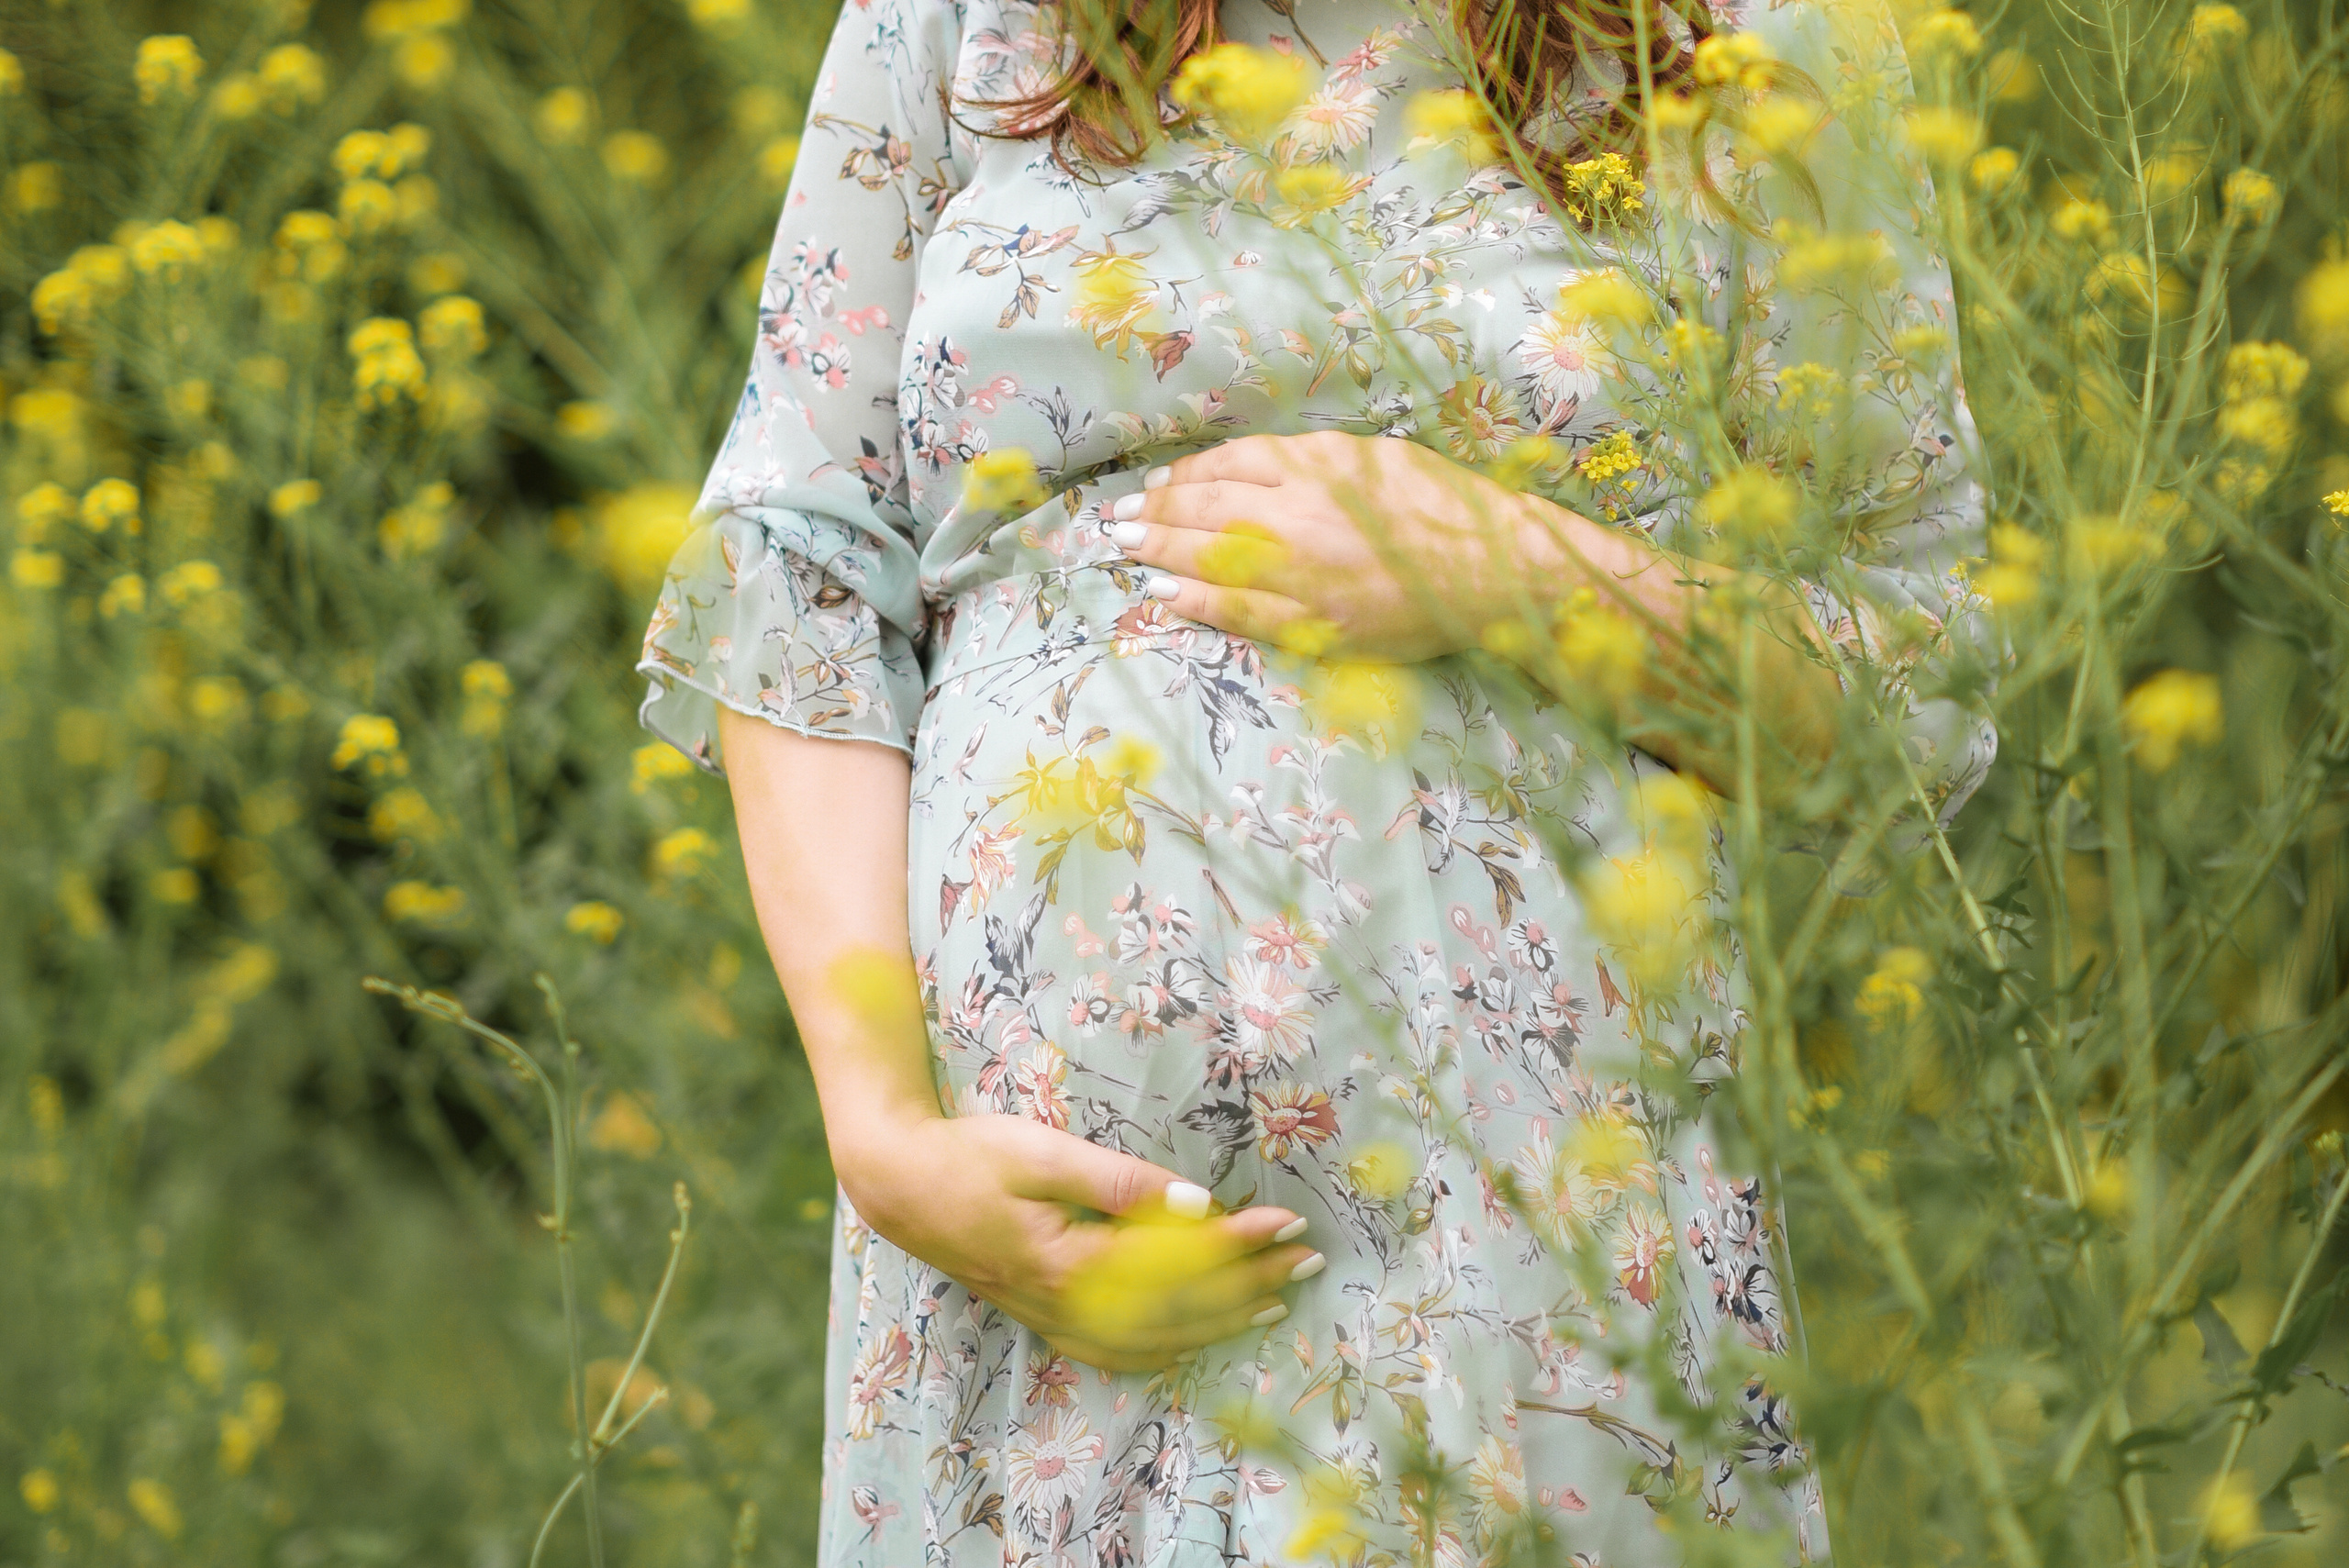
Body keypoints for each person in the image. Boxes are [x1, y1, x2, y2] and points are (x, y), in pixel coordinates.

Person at [637, 0, 1994, 1560]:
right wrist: (887, 1136)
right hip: (1039, 1307)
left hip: (1530, 1288)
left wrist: (1505, 567)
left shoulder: (1763, 38)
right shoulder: (960, 19)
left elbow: (1913, 682)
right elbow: (797, 558)